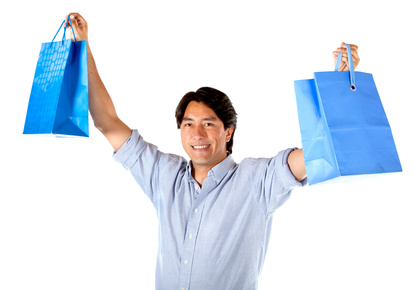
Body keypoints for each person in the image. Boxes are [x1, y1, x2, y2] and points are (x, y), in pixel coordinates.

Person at [65, 13, 360, 290]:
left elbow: (315, 154)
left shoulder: (256, 180)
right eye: (188, 124)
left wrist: (338, 87)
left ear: (228, 131)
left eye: (209, 123)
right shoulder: (163, 174)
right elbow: (107, 123)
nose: (197, 134)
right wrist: (83, 47)